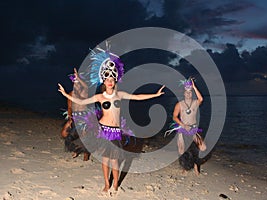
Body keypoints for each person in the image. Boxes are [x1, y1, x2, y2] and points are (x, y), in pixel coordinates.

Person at [58, 48, 165, 194]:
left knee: (114, 160)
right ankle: (107, 184)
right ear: (104, 81)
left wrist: (155, 94)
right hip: (103, 130)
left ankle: (115, 184)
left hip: (115, 132)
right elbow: (80, 99)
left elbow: (138, 97)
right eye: (107, 79)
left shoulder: (120, 94)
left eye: (112, 79)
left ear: (115, 81)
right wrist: (65, 94)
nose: (109, 82)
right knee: (105, 160)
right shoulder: (100, 97)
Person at [166, 78, 205, 175]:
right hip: (183, 129)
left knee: (202, 148)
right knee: (182, 150)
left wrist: (194, 87)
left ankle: (196, 165)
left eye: (190, 92)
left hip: (193, 129)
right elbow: (175, 117)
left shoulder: (195, 103)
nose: (188, 94)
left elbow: (201, 99)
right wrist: (183, 125)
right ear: (183, 94)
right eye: (186, 92)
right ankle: (185, 167)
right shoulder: (179, 104)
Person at [60, 68, 92, 161]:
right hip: (74, 116)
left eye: (78, 83)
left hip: (85, 116)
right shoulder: (71, 93)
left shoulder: (84, 92)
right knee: (64, 133)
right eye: (75, 83)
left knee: (85, 136)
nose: (76, 85)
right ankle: (76, 149)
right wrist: (70, 117)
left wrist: (78, 77)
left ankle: (86, 154)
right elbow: (69, 107)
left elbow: (86, 87)